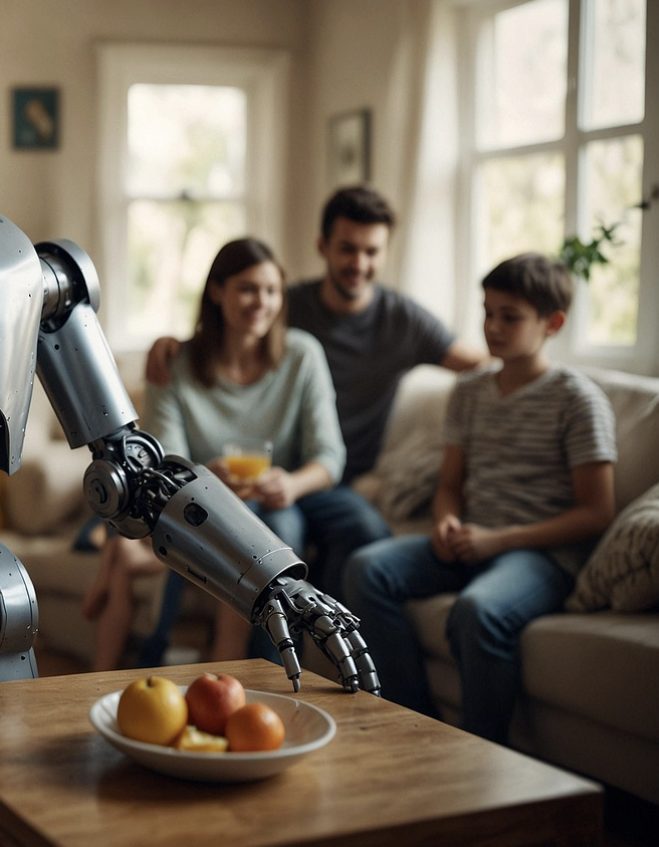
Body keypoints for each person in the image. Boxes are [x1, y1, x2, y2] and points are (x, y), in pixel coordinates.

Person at [145, 186, 485, 599]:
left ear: (385, 252)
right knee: (272, 537)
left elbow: (480, 364)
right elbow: (230, 326)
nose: (359, 263)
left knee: (367, 530)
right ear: (323, 246)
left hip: (331, 477)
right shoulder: (284, 304)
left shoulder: (403, 319)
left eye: (372, 251)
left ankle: (322, 638)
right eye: (347, 249)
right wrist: (171, 344)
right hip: (269, 475)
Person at [343, 253, 616, 744]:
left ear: (552, 323)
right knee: (366, 569)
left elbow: (597, 513)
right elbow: (450, 487)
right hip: (472, 540)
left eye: (510, 316)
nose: (493, 326)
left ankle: (483, 754)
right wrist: (447, 523)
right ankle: (413, 725)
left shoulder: (578, 399)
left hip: (541, 556)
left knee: (478, 610)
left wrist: (500, 540)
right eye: (487, 312)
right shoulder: (468, 391)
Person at [82, 237, 346, 670]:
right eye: (247, 288)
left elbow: (330, 456)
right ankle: (103, 678)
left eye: (271, 290)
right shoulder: (176, 362)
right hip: (195, 505)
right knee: (228, 534)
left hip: (271, 501)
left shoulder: (302, 355)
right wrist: (208, 478)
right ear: (217, 291)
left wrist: (292, 482)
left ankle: (239, 675)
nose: (260, 302)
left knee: (262, 535)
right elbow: (166, 462)